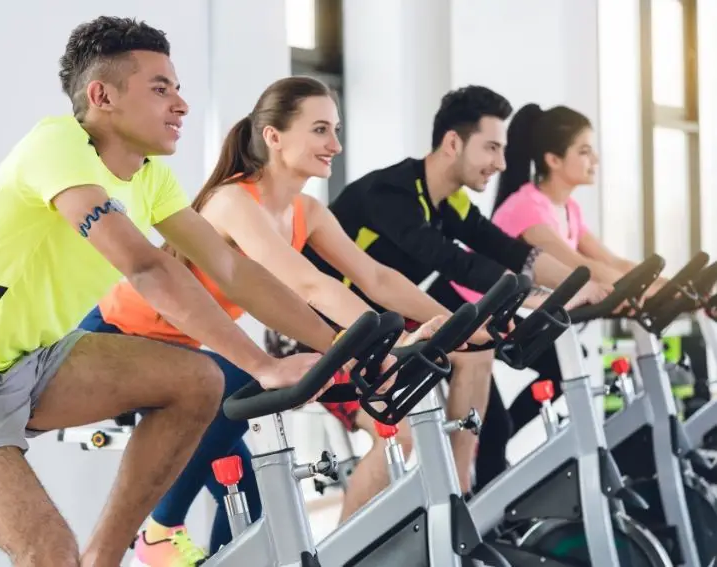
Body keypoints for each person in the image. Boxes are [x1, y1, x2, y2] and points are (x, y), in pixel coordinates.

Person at [0, 17, 354, 567]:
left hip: (35, 359)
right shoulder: (55, 144)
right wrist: (263, 365)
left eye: (177, 88)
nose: (181, 104)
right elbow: (146, 268)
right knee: (50, 552)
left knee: (200, 380)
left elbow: (231, 268)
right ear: (102, 96)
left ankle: (106, 557)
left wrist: (342, 346)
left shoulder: (149, 177)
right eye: (160, 88)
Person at [79, 75, 488, 566]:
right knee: (233, 381)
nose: (334, 144)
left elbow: (376, 278)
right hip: (117, 336)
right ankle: (160, 531)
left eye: (335, 130)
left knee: (252, 505)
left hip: (183, 351)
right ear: (274, 136)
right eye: (319, 130)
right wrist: (387, 342)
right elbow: (308, 284)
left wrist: (451, 321)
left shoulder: (307, 211)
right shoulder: (233, 201)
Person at [270, 85, 612, 494]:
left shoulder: (450, 203)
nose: (501, 163)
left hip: (371, 328)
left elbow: (508, 251)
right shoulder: (392, 193)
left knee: (475, 353)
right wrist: (536, 297)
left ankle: (460, 494)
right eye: (490, 148)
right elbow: (454, 262)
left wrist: (587, 286)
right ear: (453, 142)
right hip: (313, 335)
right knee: (394, 435)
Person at [461, 103, 667, 471]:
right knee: (496, 428)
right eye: (584, 151)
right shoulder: (527, 207)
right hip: (472, 316)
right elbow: (580, 270)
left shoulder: (567, 208)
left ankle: (491, 468)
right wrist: (641, 289)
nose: (595, 159)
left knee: (557, 375)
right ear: (553, 160)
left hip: (513, 315)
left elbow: (614, 263)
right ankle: (487, 483)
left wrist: (674, 287)